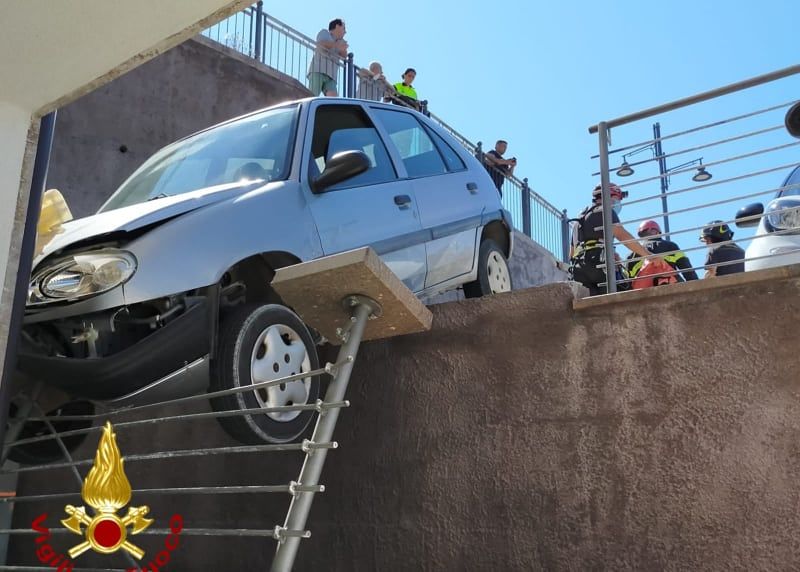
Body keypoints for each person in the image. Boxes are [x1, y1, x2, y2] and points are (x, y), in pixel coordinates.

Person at [569, 183, 654, 296]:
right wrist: (648, 254)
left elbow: (571, 253)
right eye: (617, 199)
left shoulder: (579, 219)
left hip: (579, 268)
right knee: (615, 298)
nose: (618, 203)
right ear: (609, 196)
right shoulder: (605, 211)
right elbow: (623, 236)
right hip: (600, 266)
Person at [627, 219, 698, 283]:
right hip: (669, 284)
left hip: (642, 290)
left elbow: (628, 279)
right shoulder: (671, 246)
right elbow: (686, 268)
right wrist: (696, 285)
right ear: (657, 232)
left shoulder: (632, 254)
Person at [308, 19, 348, 97]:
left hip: (331, 76)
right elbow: (321, 44)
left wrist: (344, 47)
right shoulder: (325, 33)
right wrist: (337, 45)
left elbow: (344, 56)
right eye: (344, 28)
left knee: (334, 102)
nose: (345, 32)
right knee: (312, 96)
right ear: (337, 26)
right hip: (318, 70)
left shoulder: (340, 41)